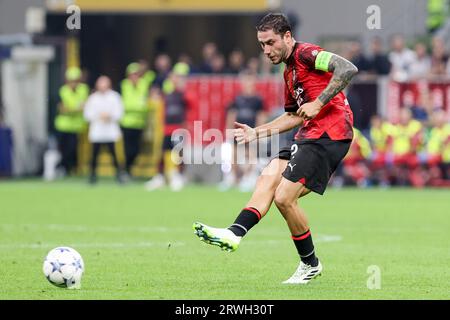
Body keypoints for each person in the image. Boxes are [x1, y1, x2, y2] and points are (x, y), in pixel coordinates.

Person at [193, 13, 358, 284]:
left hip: (331, 132)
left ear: (288, 37)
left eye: (271, 43)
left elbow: (347, 68)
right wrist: (256, 132)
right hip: (308, 134)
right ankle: (234, 233)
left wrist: (318, 103)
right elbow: (293, 116)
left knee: (284, 197)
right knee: (268, 176)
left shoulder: (307, 54)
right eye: (262, 45)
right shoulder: (289, 72)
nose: (266, 50)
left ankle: (310, 265)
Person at [220, 72, 266, 191]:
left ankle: (247, 178)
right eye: (246, 81)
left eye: (250, 81)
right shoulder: (238, 99)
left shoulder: (257, 100)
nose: (247, 84)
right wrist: (229, 130)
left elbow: (261, 116)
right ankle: (233, 178)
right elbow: (232, 114)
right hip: (238, 132)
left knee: (250, 156)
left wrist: (258, 132)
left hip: (251, 132)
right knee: (233, 156)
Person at [84, 76, 124, 184]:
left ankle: (119, 175)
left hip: (110, 131)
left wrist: (109, 116)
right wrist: (99, 116)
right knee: (94, 155)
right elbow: (87, 114)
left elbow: (119, 113)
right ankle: (92, 175)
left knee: (114, 154)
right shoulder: (93, 98)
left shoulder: (114, 97)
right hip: (97, 130)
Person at [120, 62, 155, 178]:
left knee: (136, 149)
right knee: (127, 149)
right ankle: (126, 170)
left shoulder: (144, 84)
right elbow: (124, 105)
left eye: (136, 74)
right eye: (132, 74)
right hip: (127, 123)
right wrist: (138, 107)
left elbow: (145, 103)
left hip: (139, 123)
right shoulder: (124, 85)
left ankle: (128, 169)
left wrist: (134, 107)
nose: (134, 77)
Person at [54, 67, 89, 176]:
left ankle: (71, 169)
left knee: (73, 149)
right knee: (62, 149)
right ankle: (62, 168)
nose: (74, 83)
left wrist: (70, 109)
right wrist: (76, 109)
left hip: (76, 126)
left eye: (76, 80)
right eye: (71, 80)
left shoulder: (84, 89)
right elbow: (62, 109)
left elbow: (85, 106)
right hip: (63, 126)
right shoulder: (62, 90)